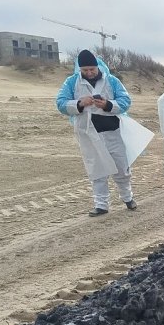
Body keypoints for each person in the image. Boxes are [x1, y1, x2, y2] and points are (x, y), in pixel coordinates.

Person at [56, 49, 139, 217]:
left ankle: (128, 197)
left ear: (97, 66)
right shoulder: (72, 82)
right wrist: (79, 103)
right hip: (88, 133)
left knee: (122, 167)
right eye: (85, 70)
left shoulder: (112, 81)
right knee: (96, 169)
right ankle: (101, 205)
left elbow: (125, 101)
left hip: (113, 130)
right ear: (80, 69)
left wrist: (108, 105)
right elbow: (61, 103)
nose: (89, 73)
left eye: (92, 69)